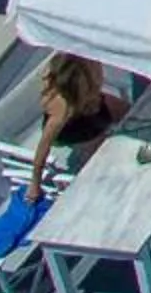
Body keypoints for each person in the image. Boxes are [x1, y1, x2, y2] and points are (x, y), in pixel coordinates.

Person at [28, 55, 125, 200]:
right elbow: (43, 149)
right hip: (73, 132)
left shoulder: (88, 70)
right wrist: (35, 185)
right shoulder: (62, 110)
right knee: (105, 149)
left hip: (90, 109)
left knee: (130, 113)